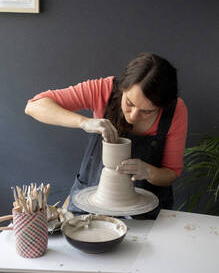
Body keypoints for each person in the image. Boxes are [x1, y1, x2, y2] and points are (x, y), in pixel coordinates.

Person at [25, 52, 188, 219]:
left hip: (145, 210)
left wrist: (148, 172)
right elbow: (34, 106)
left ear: (162, 106)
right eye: (129, 103)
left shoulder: (175, 111)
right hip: (92, 201)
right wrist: (84, 122)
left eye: (147, 111)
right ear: (122, 88)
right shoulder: (104, 90)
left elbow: (171, 173)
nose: (132, 116)